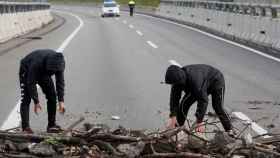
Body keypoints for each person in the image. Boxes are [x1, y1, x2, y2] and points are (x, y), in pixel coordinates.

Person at [165, 64, 234, 136]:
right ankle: (178, 128)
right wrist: (173, 116)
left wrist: (199, 121)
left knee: (218, 107)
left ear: (180, 80)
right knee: (184, 104)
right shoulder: (176, 81)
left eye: (174, 84)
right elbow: (174, 99)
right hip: (198, 84)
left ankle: (230, 130)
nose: (173, 85)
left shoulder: (195, 82)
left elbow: (203, 100)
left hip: (216, 81)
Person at [19, 49, 66, 134]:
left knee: (52, 96)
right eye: (51, 71)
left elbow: (60, 82)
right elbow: (31, 82)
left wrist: (61, 100)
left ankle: (51, 125)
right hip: (27, 71)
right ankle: (25, 127)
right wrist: (36, 101)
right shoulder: (36, 63)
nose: (53, 73)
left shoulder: (60, 63)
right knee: (26, 99)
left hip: (44, 73)